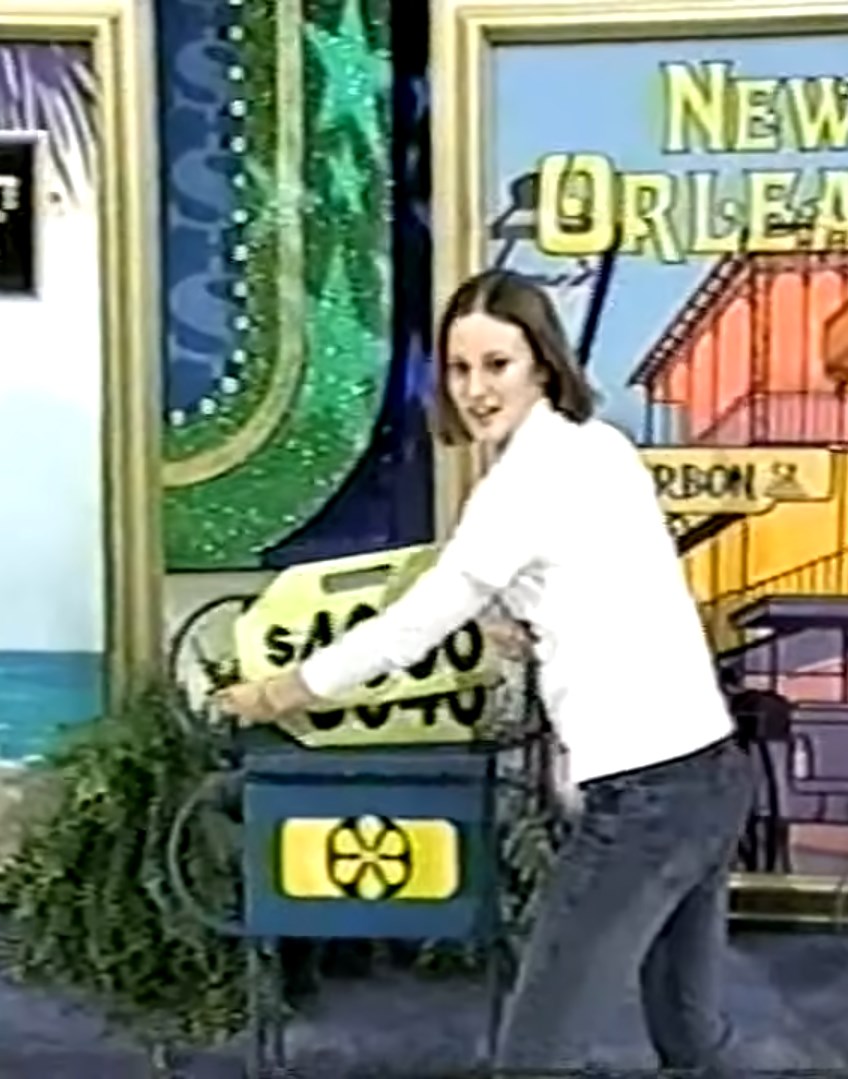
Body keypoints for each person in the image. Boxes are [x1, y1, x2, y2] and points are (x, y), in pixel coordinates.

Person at [216, 269, 753, 1073]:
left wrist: (278, 691)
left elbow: (411, 626)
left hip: (646, 798)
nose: (475, 388)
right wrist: (531, 622)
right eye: (459, 368)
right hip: (711, 773)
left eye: (496, 364)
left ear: (541, 361)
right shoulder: (599, 445)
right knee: (689, 1035)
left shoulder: (521, 485)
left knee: (537, 1052)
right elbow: (608, 582)